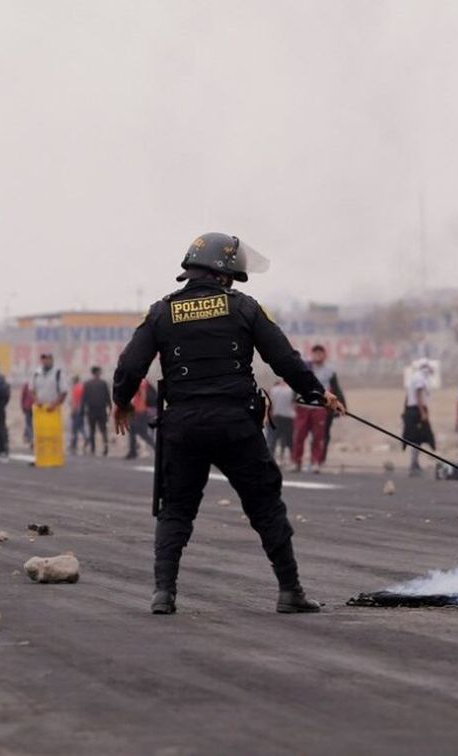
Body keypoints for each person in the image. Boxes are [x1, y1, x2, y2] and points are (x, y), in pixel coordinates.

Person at [112, 231, 343, 615]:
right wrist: (319, 394)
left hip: (183, 427)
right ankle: (290, 591)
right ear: (224, 271)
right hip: (236, 424)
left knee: (176, 509)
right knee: (265, 504)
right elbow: (284, 359)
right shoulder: (245, 307)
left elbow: (130, 365)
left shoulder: (161, 311)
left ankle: (163, 594)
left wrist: (121, 401)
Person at [290, 344, 341, 474]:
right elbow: (295, 383)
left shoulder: (330, 371)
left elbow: (335, 389)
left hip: (320, 408)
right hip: (303, 406)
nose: (318, 355)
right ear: (312, 354)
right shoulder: (305, 367)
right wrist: (293, 400)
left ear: (324, 355)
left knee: (318, 436)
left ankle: (316, 462)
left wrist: (339, 405)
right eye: (315, 353)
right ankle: (296, 461)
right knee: (299, 435)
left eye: (320, 353)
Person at [402, 359, 437, 476]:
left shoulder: (416, 377)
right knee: (418, 437)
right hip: (416, 410)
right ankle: (413, 464)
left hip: (413, 409)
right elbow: (418, 395)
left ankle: (415, 463)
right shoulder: (420, 378)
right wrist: (422, 412)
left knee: (419, 438)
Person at [80, 366, 112, 456]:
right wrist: (110, 407)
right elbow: (108, 397)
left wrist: (82, 411)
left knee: (92, 430)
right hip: (101, 410)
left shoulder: (87, 384)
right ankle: (105, 447)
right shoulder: (103, 383)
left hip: (91, 411)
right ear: (97, 372)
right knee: (103, 429)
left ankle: (93, 448)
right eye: (99, 371)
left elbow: (84, 399)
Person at [125, 378, 157, 459]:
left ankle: (157, 449)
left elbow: (143, 397)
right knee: (133, 431)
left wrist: (139, 411)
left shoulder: (141, 382)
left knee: (142, 433)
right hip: (136, 411)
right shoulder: (140, 381)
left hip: (140, 412)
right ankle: (133, 451)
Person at [266, 378, 296, 461]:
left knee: (272, 438)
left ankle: (271, 458)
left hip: (275, 417)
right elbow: (294, 404)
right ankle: (290, 458)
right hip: (288, 418)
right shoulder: (291, 390)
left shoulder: (273, 389)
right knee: (287, 439)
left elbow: (269, 405)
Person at [67, 374, 84, 454]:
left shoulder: (75, 388)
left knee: (74, 428)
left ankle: (73, 443)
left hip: (76, 410)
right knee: (80, 426)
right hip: (81, 410)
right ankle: (86, 438)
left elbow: (75, 401)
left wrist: (73, 411)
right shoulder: (81, 387)